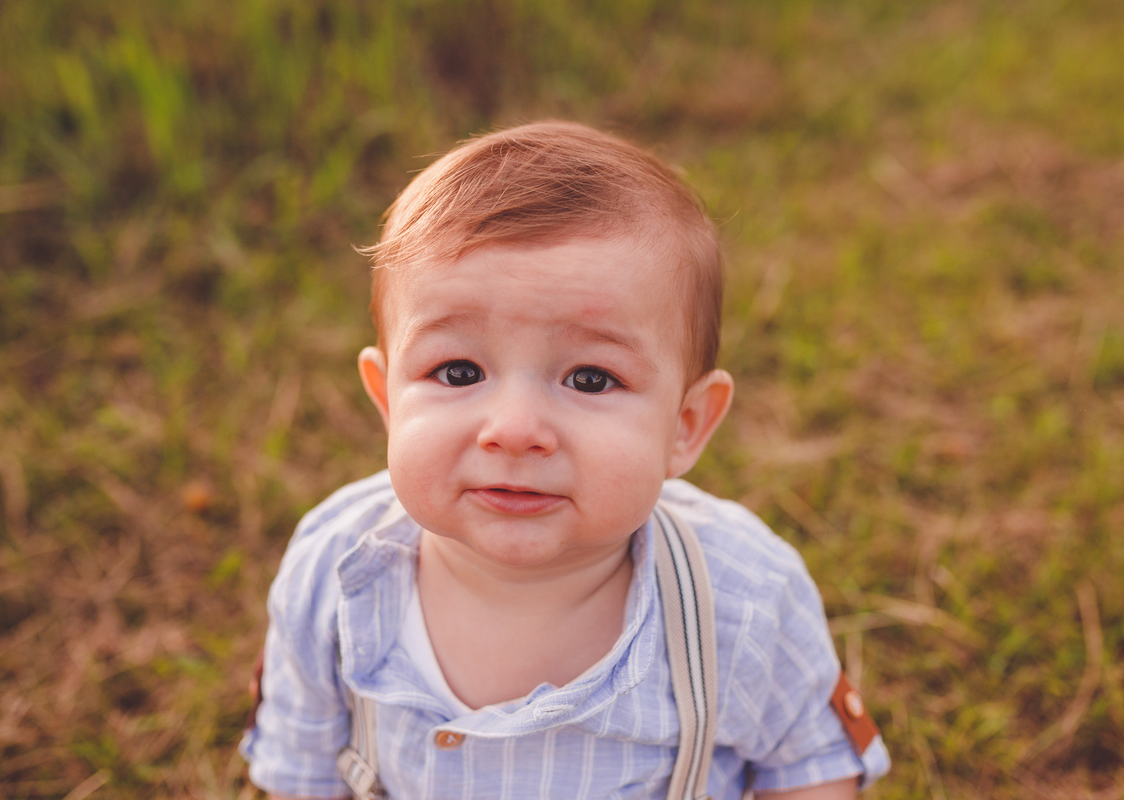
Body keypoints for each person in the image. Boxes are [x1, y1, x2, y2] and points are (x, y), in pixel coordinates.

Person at [240, 121, 891, 799]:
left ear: (686, 425)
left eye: (590, 379)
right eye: (459, 371)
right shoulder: (333, 574)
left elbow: (809, 768)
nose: (516, 431)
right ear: (386, 400)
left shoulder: (742, 598)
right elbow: (303, 774)